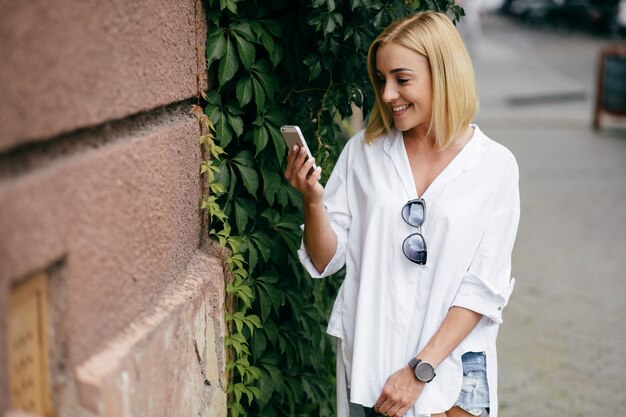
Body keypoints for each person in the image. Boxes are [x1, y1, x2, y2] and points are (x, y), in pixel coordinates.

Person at [284, 11, 519, 417]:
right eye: (381, 80)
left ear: (442, 75)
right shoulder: (365, 152)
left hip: (454, 370)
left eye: (402, 79)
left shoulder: (494, 165)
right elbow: (325, 259)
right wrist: (313, 201)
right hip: (374, 364)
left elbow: (482, 288)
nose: (388, 93)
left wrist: (419, 371)